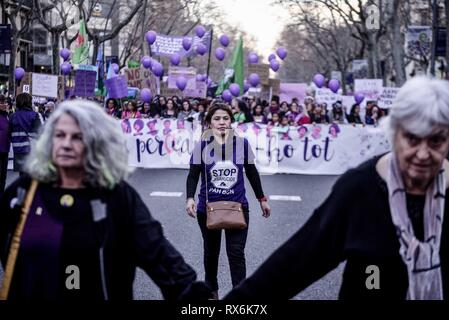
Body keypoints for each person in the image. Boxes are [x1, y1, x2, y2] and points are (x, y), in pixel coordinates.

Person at [224, 76, 449, 300]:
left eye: (436, 141)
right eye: (412, 139)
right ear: (394, 133)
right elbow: (293, 264)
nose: (422, 154)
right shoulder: (359, 189)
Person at [0, 99, 211, 300]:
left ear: (97, 144)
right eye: (59, 135)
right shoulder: (24, 191)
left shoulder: (117, 197)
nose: (65, 144)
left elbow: (159, 256)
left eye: (77, 137)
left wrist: (194, 297)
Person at [185, 103, 271, 300]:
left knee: (236, 254)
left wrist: (262, 199)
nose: (222, 122)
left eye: (225, 118)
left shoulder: (242, 145)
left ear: (231, 121)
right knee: (211, 253)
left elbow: (251, 172)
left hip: (238, 207)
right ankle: (211, 291)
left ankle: (239, 296)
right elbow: (193, 175)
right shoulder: (202, 147)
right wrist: (190, 198)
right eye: (217, 119)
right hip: (208, 208)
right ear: (209, 123)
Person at [9, 93, 41, 176]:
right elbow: (40, 133)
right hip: (32, 150)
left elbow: (9, 134)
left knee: (22, 176)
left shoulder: (13, 116)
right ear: (29, 102)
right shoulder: (34, 115)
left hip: (18, 150)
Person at [0, 94, 10, 197]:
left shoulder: (7, 115)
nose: (3, 104)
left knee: (3, 176)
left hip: (5, 149)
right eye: (1, 102)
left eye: (4, 102)